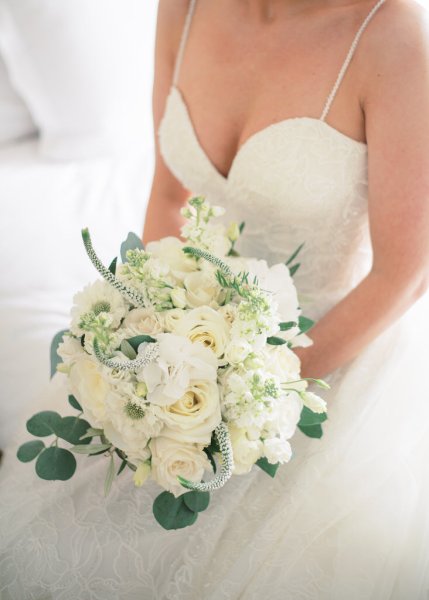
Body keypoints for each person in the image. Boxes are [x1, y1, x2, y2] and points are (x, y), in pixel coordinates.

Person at [1, 0, 429, 598]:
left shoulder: (394, 37)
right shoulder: (185, 5)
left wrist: (246, 397)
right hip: (179, 342)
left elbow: (405, 273)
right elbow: (170, 194)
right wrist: (145, 331)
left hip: (322, 355)